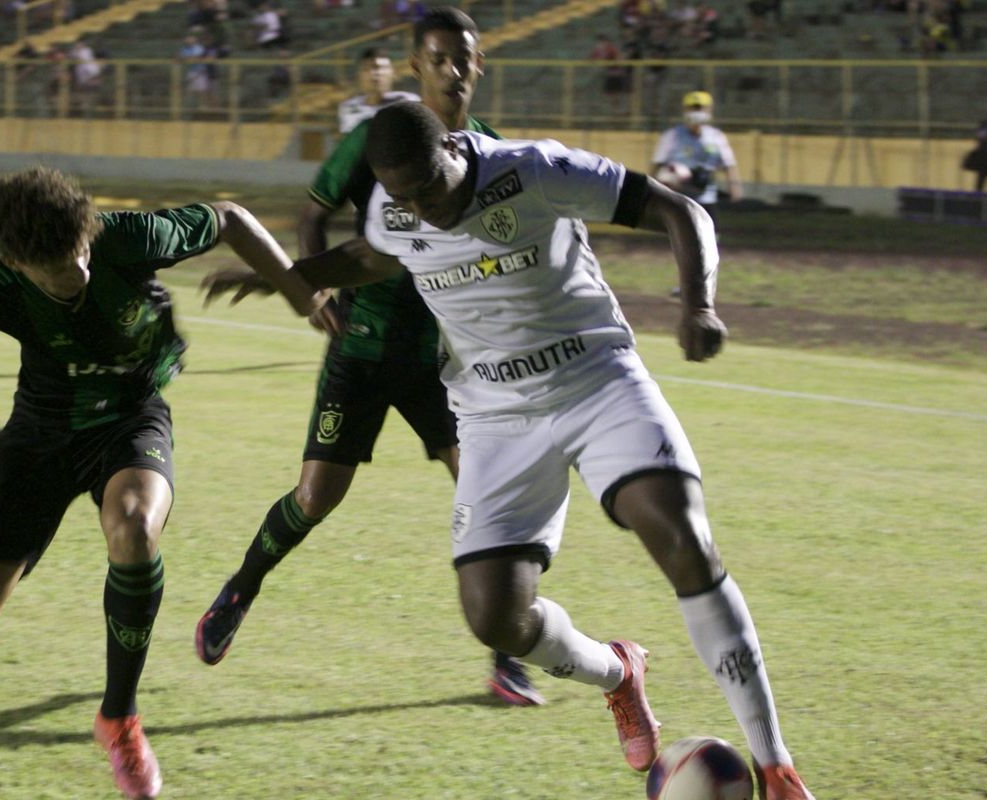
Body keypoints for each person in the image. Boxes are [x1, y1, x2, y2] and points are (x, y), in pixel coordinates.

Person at [203, 101, 817, 800]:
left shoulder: (534, 169)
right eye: (401, 198)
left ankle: (777, 767)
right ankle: (618, 673)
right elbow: (375, 253)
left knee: (680, 536)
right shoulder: (399, 207)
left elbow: (683, 212)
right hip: (494, 413)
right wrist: (299, 274)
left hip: (595, 380)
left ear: (454, 153)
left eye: (429, 190)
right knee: (495, 617)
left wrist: (698, 304)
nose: (421, 211)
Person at [0, 167, 314, 798]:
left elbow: (229, 217)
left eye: (81, 250)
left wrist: (305, 296)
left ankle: (119, 718)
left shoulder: (130, 236)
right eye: (57, 266)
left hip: (131, 415)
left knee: (135, 528)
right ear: (14, 261)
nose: (78, 270)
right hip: (41, 428)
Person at [193, 7, 544, 708]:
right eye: (438, 58)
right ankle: (240, 588)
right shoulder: (376, 140)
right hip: (360, 350)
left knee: (485, 495)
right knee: (315, 498)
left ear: (479, 65)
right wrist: (304, 282)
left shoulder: (495, 154)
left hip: (438, 362)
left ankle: (507, 656)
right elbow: (322, 212)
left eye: (462, 59)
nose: (452, 70)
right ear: (417, 66)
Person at [651, 90, 740, 219]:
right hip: (678, 199)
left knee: (710, 236)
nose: (697, 112)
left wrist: (734, 188)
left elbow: (729, 164)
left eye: (700, 108)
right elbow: (657, 164)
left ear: (709, 110)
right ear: (685, 110)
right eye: (693, 108)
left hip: (706, 198)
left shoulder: (716, 137)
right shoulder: (672, 136)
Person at [336, 47, 418, 134]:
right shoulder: (349, 108)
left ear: (394, 73)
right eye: (367, 68)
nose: (374, 73)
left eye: (380, 68)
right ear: (359, 75)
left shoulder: (409, 102)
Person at [962, 111, 987, 192]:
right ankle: (980, 191)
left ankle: (980, 191)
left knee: (983, 177)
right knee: (982, 177)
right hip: (986, 153)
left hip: (986, 152)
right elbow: (980, 136)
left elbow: (980, 136)